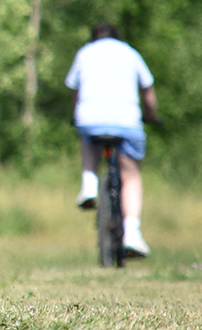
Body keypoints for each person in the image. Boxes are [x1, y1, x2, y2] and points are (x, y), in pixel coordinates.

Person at [65, 22, 159, 258]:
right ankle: (132, 233)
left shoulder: (85, 53)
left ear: (93, 38)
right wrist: (151, 116)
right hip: (126, 120)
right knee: (131, 176)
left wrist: (76, 115)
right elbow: (148, 91)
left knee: (87, 138)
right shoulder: (130, 53)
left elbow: (74, 90)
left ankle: (89, 184)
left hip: (90, 118)